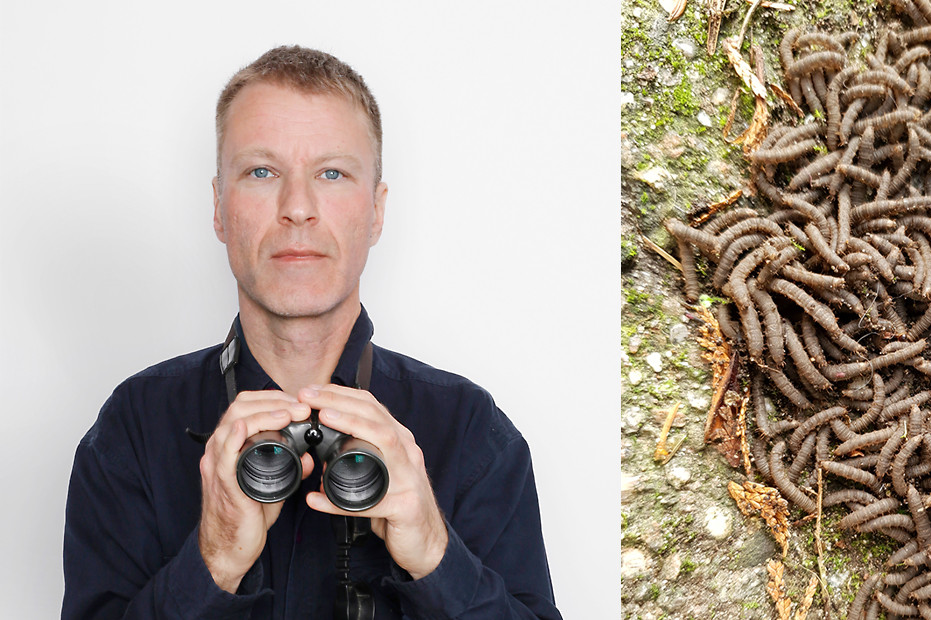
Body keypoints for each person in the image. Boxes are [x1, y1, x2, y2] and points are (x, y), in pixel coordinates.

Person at [61, 45, 561, 619]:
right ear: (220, 208)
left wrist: (435, 556)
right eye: (261, 171)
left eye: (331, 173)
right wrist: (214, 560)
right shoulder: (133, 430)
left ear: (375, 212)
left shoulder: (471, 432)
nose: (297, 208)